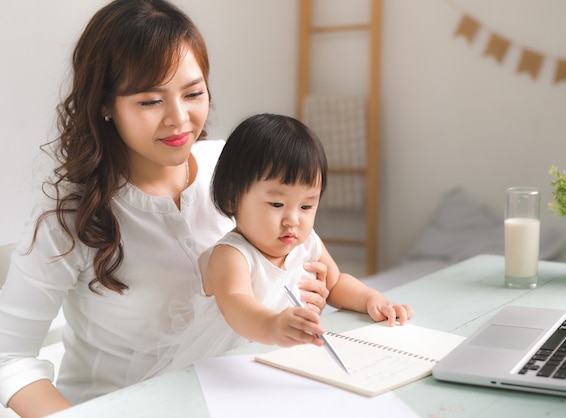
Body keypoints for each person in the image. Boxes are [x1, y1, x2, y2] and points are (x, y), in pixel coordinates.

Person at [0, 2, 329, 417]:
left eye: (193, 93)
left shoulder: (233, 169)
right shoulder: (69, 216)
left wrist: (298, 286)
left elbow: (285, 260)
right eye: (151, 101)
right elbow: (9, 359)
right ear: (106, 105)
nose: (180, 119)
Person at [204, 113, 413, 349]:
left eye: (306, 206)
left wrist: (371, 299)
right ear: (232, 197)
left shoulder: (306, 243)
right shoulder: (232, 254)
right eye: (277, 204)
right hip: (226, 356)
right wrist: (273, 325)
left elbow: (335, 284)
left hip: (278, 352)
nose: (292, 220)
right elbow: (235, 303)